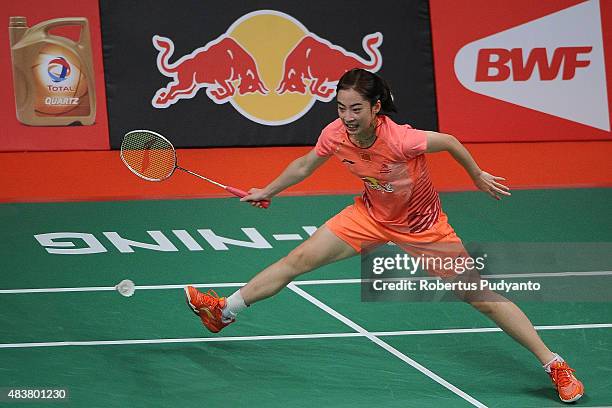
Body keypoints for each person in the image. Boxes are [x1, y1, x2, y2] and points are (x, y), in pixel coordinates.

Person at [184, 68, 584, 403]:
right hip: (370, 215)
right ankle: (223, 311)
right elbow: (306, 164)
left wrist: (476, 174)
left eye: (356, 108)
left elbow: (449, 141)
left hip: (423, 228)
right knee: (297, 261)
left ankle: (554, 364)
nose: (347, 116)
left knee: (482, 299)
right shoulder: (335, 134)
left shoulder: (402, 139)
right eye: (341, 108)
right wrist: (268, 190)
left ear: (376, 107)